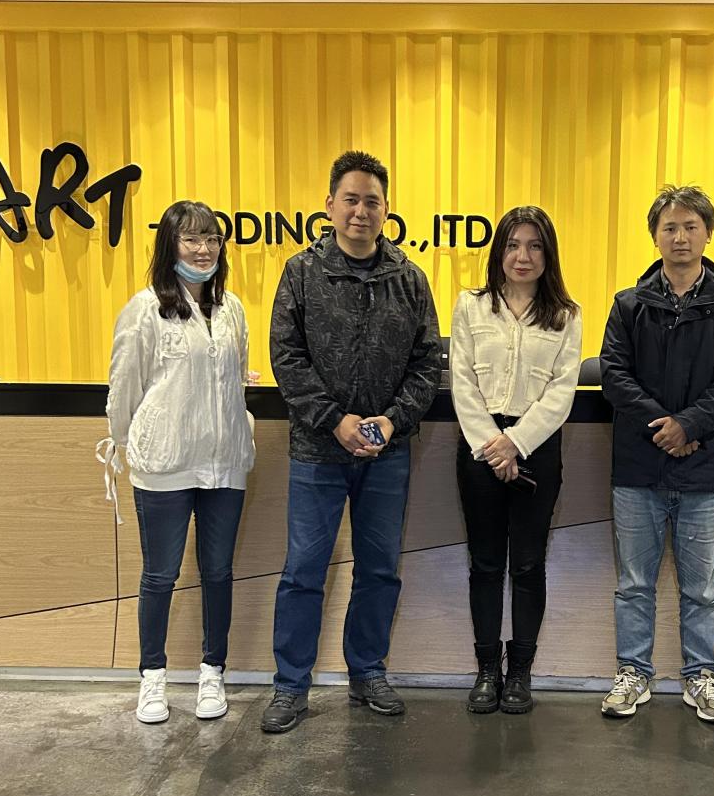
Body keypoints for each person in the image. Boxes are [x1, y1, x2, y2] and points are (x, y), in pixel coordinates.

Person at [261, 150, 441, 734]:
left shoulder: (409, 279)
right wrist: (334, 420)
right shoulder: (301, 273)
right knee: (303, 571)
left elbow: (426, 364)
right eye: (351, 199)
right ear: (330, 205)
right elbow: (286, 356)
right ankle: (291, 685)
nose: (361, 211)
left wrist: (391, 421)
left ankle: (367, 672)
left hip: (386, 453)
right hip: (318, 451)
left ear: (387, 209)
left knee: (380, 569)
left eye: (372, 201)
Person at [599, 185, 714, 724]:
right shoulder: (629, 304)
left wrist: (687, 425)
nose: (681, 237)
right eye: (670, 227)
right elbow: (614, 375)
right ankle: (632, 674)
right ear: (655, 236)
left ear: (708, 233)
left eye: (691, 226)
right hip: (638, 468)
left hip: (705, 467)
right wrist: (664, 428)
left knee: (702, 589)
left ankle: (702, 677)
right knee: (633, 585)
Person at [101, 200, 255, 724]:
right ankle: (153, 678)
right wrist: (132, 443)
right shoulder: (145, 309)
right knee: (160, 575)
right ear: (170, 244)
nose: (204, 249)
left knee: (219, 572)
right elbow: (124, 387)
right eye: (191, 239)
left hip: (224, 463)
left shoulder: (232, 309)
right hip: (164, 465)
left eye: (212, 238)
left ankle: (213, 672)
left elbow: (237, 378)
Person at [450, 206, 582, 715]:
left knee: (528, 564)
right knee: (485, 563)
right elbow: (462, 381)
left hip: (536, 450)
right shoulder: (471, 306)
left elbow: (561, 393)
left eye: (534, 245)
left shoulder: (566, 314)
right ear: (499, 251)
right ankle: (487, 669)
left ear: (548, 254)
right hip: (480, 448)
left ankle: (520, 672)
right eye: (512, 244)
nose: (522, 256)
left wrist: (516, 443)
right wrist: (493, 443)